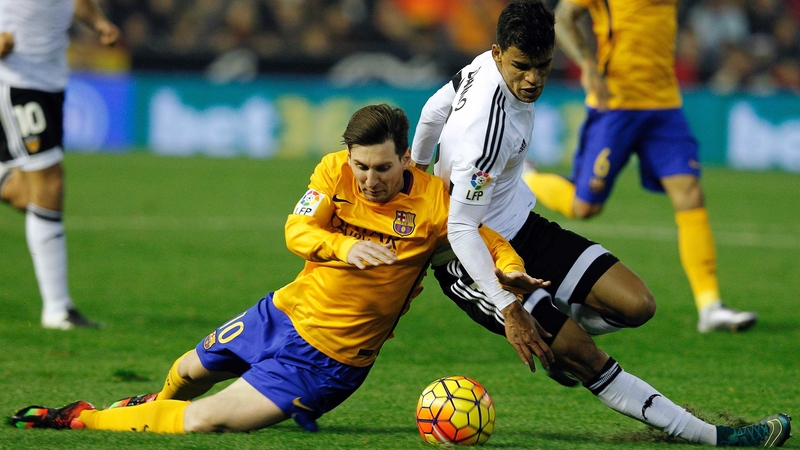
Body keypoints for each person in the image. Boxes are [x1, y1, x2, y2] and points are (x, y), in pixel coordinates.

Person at [9, 104, 548, 434]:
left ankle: (82, 418)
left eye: (383, 168)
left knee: (207, 419)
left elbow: (487, 239)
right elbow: (296, 230)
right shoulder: (333, 172)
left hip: (329, 361)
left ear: (407, 158)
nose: (369, 180)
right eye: (361, 166)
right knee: (185, 374)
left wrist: (512, 268)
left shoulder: (435, 203)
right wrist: (342, 247)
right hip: (283, 313)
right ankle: (146, 408)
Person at [410, 0, 790, 447]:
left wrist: (417, 170)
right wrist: (509, 308)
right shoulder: (485, 135)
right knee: (588, 357)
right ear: (498, 54)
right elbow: (460, 229)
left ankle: (556, 340)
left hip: (522, 229)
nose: (532, 79)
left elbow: (435, 109)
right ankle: (715, 436)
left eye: (543, 66)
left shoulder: (480, 67)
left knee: (637, 306)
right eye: (521, 67)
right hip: (474, 260)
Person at [520, 0, 757, 333]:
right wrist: (587, 64)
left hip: (664, 106)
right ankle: (528, 177)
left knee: (689, 196)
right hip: (614, 103)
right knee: (584, 206)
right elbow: (563, 16)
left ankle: (710, 306)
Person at [0, 0, 120, 329]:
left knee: (29, 196)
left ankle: (58, 308)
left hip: (50, 81)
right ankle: (57, 308)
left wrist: (96, 21)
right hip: (16, 81)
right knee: (50, 185)